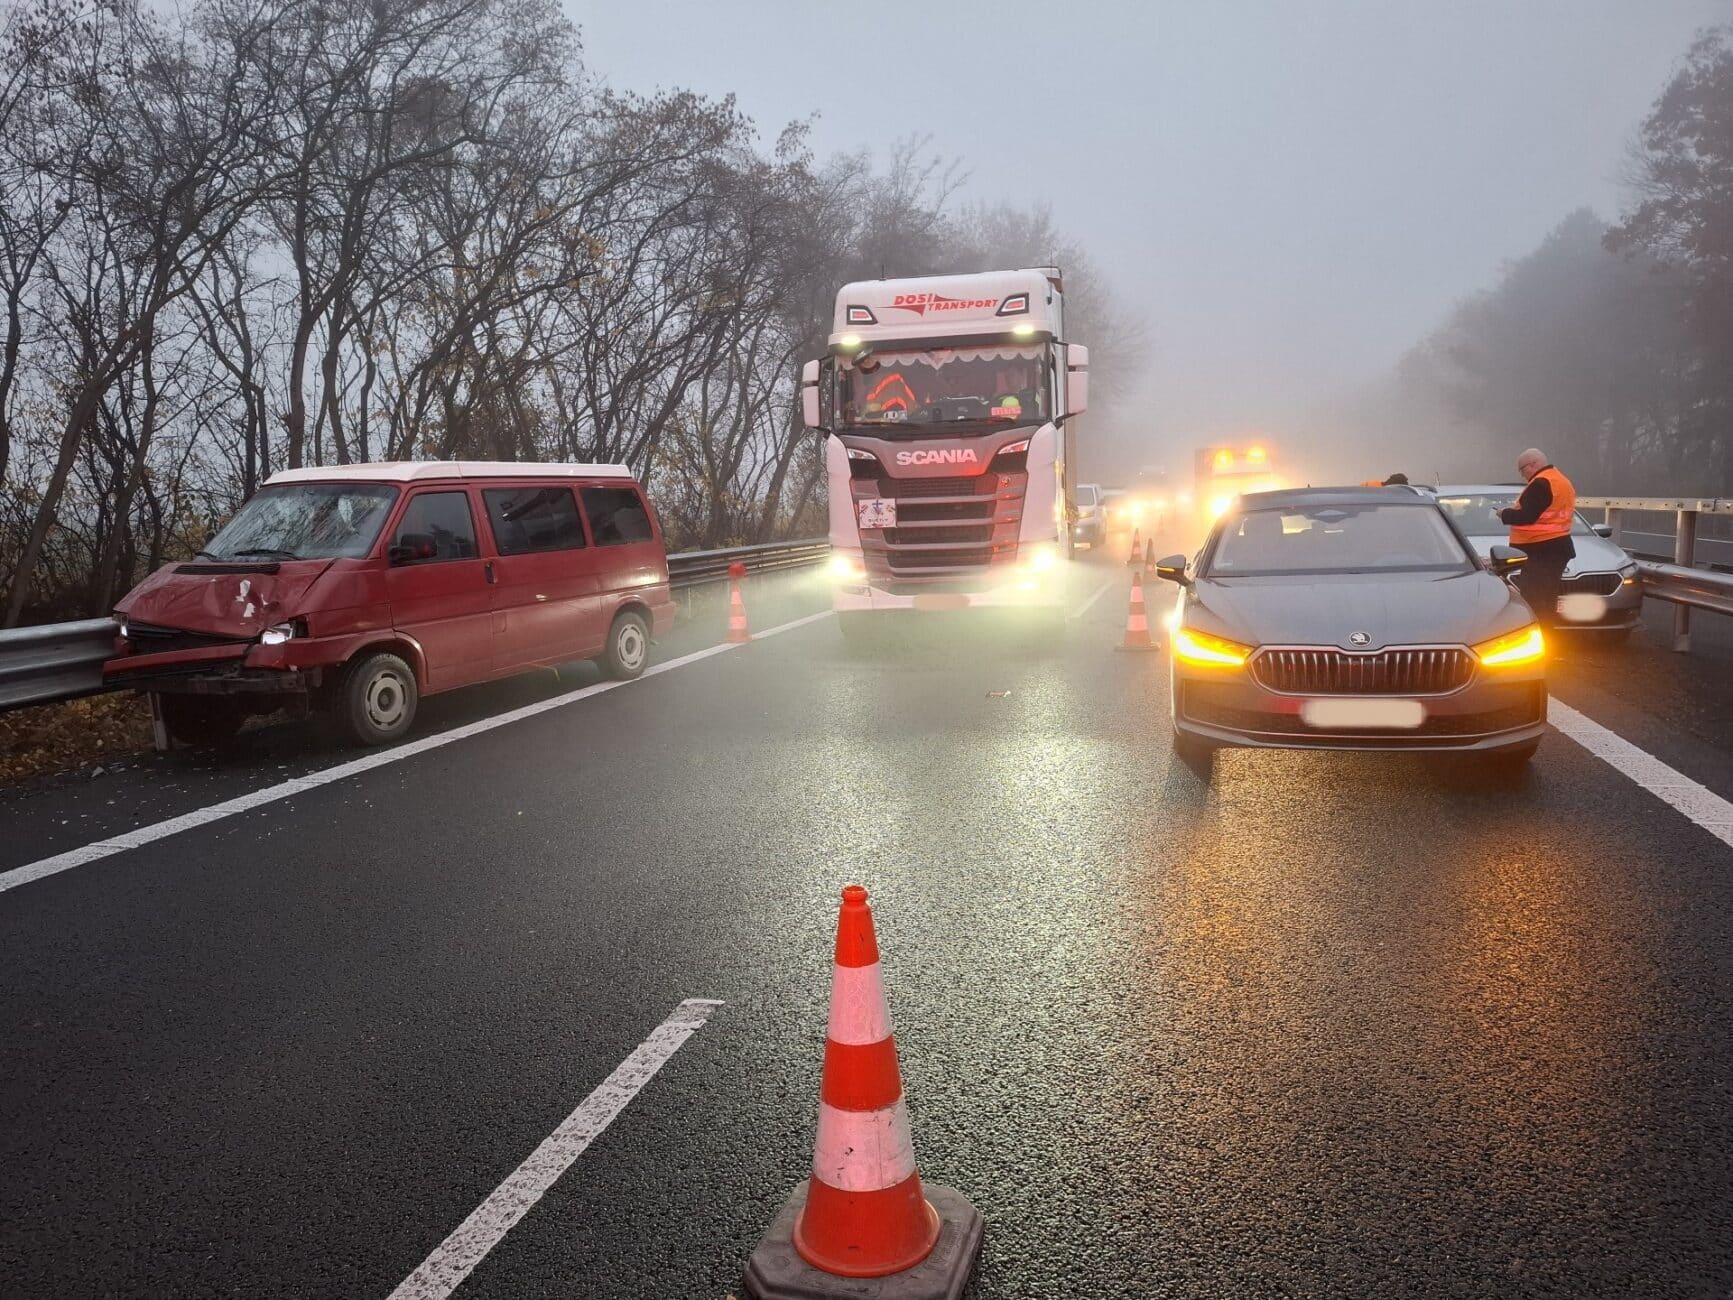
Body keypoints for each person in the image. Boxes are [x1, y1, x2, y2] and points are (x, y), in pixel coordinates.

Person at [1499, 447, 1576, 629]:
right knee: (1547, 599)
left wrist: (1504, 514)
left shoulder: (1540, 483)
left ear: (1533, 464)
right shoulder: (1560, 480)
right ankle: (1547, 638)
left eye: (1522, 469)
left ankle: (1539, 640)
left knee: (1535, 601)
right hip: (1556, 548)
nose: (1523, 476)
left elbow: (1527, 516)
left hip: (1539, 551)